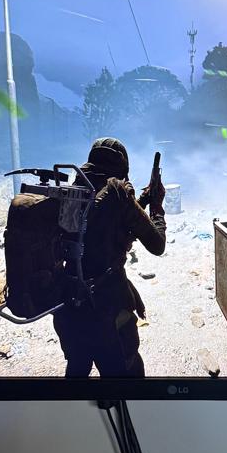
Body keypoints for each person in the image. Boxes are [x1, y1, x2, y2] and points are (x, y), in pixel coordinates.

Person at [53, 137, 165, 377]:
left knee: (76, 372)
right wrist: (156, 207)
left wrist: (142, 199)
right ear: (122, 165)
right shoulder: (118, 193)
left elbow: (107, 220)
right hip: (107, 311)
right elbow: (157, 245)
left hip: (68, 308)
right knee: (127, 377)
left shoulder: (73, 192)